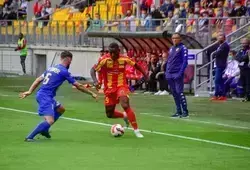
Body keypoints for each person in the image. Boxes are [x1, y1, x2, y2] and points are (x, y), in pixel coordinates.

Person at [19, 51, 97, 142]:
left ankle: (45, 130)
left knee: (60, 109)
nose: (70, 63)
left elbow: (38, 80)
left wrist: (30, 91)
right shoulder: (64, 71)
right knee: (50, 120)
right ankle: (29, 137)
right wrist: (91, 93)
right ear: (68, 60)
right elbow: (78, 86)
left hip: (45, 95)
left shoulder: (52, 68)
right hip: (45, 97)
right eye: (70, 61)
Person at [90, 42, 148, 138]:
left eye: (115, 53)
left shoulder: (124, 58)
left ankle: (136, 130)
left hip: (121, 86)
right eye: (111, 53)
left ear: (119, 51)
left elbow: (136, 65)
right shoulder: (104, 59)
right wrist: (95, 81)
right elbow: (93, 70)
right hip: (109, 88)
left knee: (125, 104)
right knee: (109, 114)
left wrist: (145, 75)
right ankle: (124, 116)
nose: (113, 55)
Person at [165, 33, 189, 118]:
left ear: (180, 39)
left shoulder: (183, 48)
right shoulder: (171, 48)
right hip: (170, 74)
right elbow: (169, 61)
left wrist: (180, 73)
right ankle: (178, 111)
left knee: (179, 92)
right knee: (174, 93)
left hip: (177, 73)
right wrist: (167, 72)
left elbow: (185, 62)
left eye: (176, 38)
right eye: (173, 38)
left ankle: (185, 111)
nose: (174, 40)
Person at [210, 32, 230, 101]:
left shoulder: (225, 45)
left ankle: (219, 94)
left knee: (217, 80)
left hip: (221, 64)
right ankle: (220, 95)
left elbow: (217, 53)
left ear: (224, 38)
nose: (219, 38)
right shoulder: (220, 45)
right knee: (219, 81)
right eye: (219, 37)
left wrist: (215, 53)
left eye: (221, 37)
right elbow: (215, 53)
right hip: (218, 64)